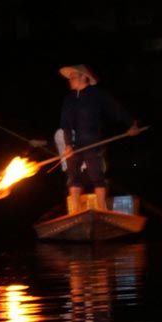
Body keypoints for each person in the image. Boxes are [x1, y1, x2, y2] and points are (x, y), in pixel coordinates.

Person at [58, 64, 140, 212]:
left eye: (73, 77)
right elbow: (65, 124)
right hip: (74, 145)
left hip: (94, 142)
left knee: (97, 175)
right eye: (69, 78)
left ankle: (102, 208)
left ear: (84, 77)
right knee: (73, 177)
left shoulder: (97, 95)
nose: (70, 80)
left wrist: (131, 124)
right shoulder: (69, 99)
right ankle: (75, 210)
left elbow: (116, 109)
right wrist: (68, 144)